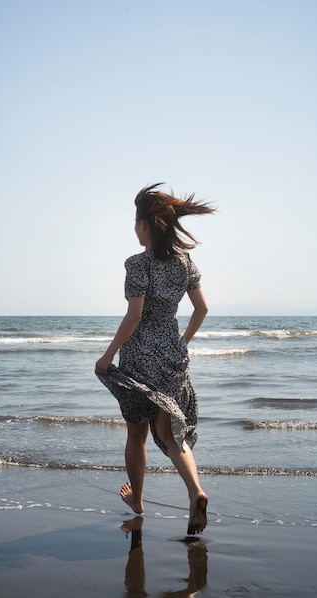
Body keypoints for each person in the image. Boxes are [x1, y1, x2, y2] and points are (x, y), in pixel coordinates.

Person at [95, 183, 214, 535]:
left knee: (137, 433)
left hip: (139, 359)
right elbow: (202, 309)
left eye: (135, 222)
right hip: (171, 358)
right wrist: (182, 342)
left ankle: (137, 500)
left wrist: (108, 354)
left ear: (146, 225)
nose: (134, 228)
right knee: (169, 432)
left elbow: (134, 315)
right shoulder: (185, 263)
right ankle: (196, 491)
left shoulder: (137, 264)